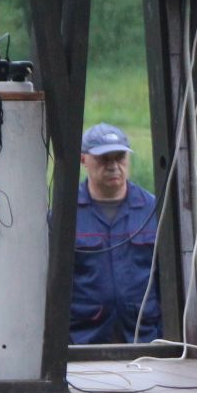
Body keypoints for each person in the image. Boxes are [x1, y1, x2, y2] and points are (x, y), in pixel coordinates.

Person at [67, 123, 161, 344]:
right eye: (104, 158)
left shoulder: (154, 209)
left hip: (145, 338)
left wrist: (165, 334)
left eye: (120, 157)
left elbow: (169, 280)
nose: (114, 166)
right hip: (84, 339)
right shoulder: (65, 214)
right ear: (83, 160)